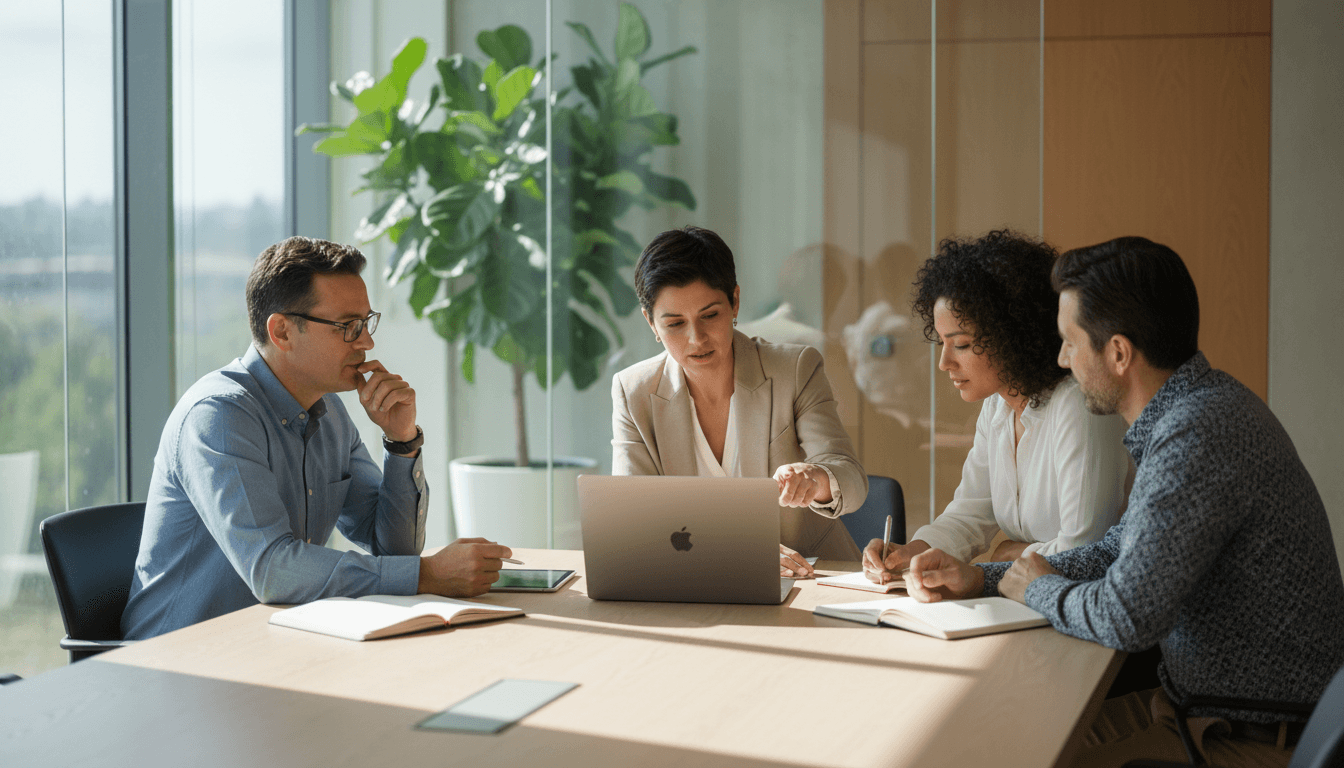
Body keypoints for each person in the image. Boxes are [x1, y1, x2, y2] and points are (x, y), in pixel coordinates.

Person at [902, 236, 1344, 767]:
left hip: (1250, 737)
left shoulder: (1196, 434)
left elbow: (1127, 617)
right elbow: (1117, 549)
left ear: (1117, 353)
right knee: (1000, 741)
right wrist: (983, 578)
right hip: (1195, 710)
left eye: (1070, 342)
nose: (1060, 358)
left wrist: (1036, 587)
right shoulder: (1194, 411)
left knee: (1012, 754)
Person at [122, 237, 511, 640]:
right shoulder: (218, 416)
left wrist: (401, 441)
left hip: (272, 645)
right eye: (348, 327)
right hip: (174, 658)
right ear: (282, 331)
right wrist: (426, 575)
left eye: (366, 322)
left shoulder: (331, 414)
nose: (367, 342)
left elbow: (394, 551)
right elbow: (272, 570)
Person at [864, 230, 1131, 584]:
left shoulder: (1078, 406)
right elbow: (971, 513)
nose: (944, 362)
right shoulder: (998, 407)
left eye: (961, 344)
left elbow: (1083, 551)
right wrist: (911, 551)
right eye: (942, 343)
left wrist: (1005, 557)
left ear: (1013, 335)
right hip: (1031, 601)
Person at [611, 226, 868, 575]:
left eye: (710, 316)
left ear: (734, 301)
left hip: (809, 576)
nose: (696, 339)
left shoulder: (794, 369)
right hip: (693, 580)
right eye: (674, 324)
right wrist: (737, 553)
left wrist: (816, 478)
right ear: (651, 323)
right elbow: (631, 519)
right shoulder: (633, 391)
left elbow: (851, 479)